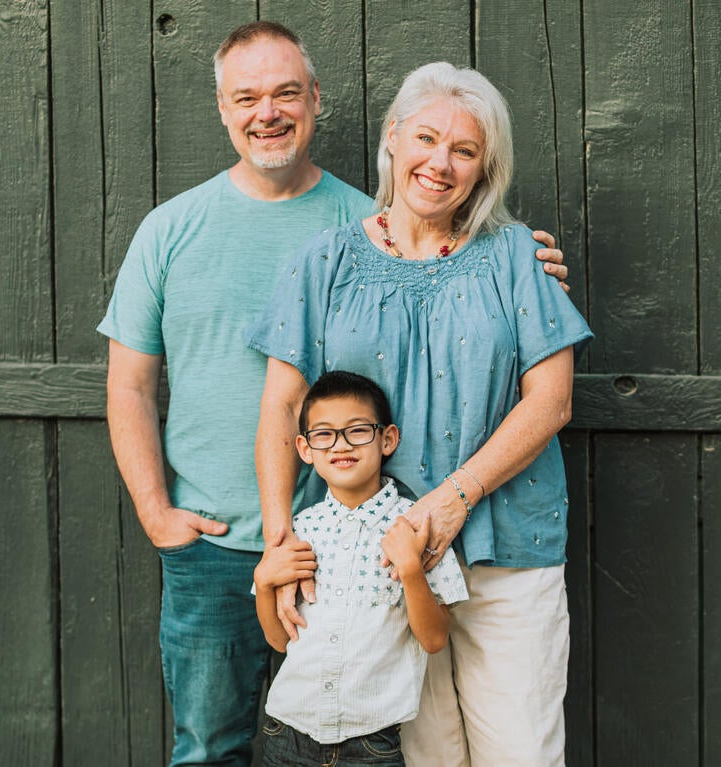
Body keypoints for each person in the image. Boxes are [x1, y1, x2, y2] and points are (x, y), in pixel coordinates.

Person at [97, 19, 568, 766]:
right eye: (246, 96)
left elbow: (530, 364)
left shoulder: (430, 236)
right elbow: (135, 382)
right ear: (221, 107)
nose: (267, 111)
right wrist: (168, 516)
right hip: (256, 544)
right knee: (217, 743)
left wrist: (520, 262)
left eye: (286, 92)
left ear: (316, 100)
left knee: (431, 746)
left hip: (397, 543)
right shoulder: (186, 231)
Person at [249, 62, 594, 767]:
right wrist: (280, 544)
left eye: (463, 150)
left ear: (483, 167)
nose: (439, 162)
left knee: (520, 752)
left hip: (507, 550)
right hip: (372, 564)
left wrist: (450, 499)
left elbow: (551, 399)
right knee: (424, 755)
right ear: (392, 138)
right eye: (426, 138)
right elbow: (282, 404)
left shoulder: (514, 257)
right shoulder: (324, 261)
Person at [254, 371, 468, 767]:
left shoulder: (416, 526)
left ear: (387, 439)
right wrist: (264, 583)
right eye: (324, 434)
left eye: (357, 431)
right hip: (287, 736)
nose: (341, 445)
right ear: (304, 447)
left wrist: (410, 569)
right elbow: (279, 641)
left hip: (371, 745)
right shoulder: (302, 528)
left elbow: (435, 639)